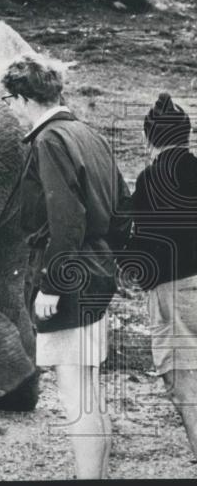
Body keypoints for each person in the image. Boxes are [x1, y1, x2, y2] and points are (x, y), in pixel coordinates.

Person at [2, 53, 129, 479]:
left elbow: (66, 219)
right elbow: (122, 207)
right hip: (96, 270)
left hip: (70, 277)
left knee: (75, 393)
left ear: (23, 98)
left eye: (9, 99)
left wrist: (52, 284)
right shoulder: (87, 134)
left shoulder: (49, 140)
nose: (10, 108)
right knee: (89, 390)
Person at [129, 93, 197, 458]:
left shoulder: (149, 179)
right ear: (186, 136)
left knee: (183, 380)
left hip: (175, 290)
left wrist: (135, 272)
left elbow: (145, 245)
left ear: (150, 139)